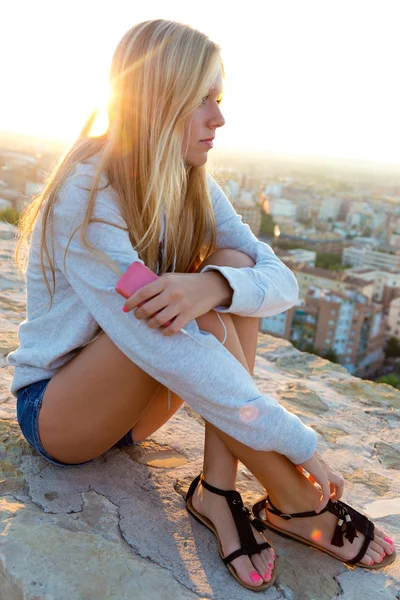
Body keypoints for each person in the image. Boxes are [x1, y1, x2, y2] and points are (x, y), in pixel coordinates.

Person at [7, 19, 395, 592]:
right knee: (188, 318)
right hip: (64, 416)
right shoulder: (85, 199)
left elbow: (279, 280)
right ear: (154, 101)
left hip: (139, 405)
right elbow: (164, 343)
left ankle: (217, 492)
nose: (219, 118)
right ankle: (291, 501)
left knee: (233, 270)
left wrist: (212, 285)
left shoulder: (189, 180)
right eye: (202, 101)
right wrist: (297, 446)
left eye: (220, 99)